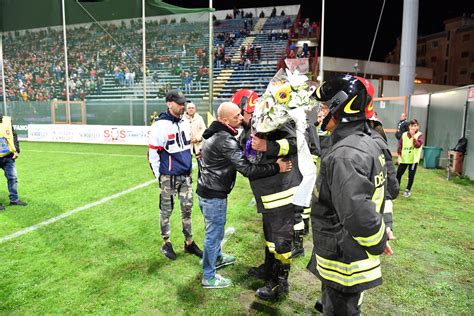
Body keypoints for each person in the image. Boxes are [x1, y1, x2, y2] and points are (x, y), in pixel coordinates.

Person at [307, 74, 392, 315]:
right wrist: (383, 228)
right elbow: (381, 193)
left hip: (344, 258)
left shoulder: (346, 153)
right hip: (347, 251)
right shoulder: (366, 141)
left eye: (324, 106)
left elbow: (357, 214)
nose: (320, 113)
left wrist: (377, 240)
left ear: (341, 106)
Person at [197, 102, 291, 288]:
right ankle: (208, 276)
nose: (241, 118)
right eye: (236, 116)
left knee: (216, 230)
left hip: (208, 190)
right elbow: (247, 169)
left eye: (241, 114)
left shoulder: (214, 133)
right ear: (224, 120)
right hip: (213, 194)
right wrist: (276, 167)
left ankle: (217, 258)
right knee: (213, 234)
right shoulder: (224, 139)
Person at [232, 89, 303, 301]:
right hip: (268, 194)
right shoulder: (252, 126)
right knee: (270, 239)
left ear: (248, 107)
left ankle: (279, 285)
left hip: (281, 193)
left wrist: (268, 146)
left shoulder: (274, 119)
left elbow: (295, 142)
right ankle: (269, 271)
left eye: (238, 112)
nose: (237, 118)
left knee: (280, 241)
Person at [148, 90, 203, 261]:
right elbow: (152, 154)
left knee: (187, 209)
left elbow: (186, 146)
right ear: (169, 103)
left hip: (185, 176)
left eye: (183, 103)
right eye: (179, 103)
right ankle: (166, 242)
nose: (182, 106)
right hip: (168, 177)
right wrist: (160, 177)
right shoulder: (159, 126)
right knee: (166, 211)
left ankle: (189, 242)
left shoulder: (185, 122)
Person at [0, 114, 27, 210]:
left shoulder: (7, 121)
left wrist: (16, 150)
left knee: (13, 178)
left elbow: (13, 135)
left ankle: (14, 200)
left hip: (8, 156)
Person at [396, 119, 424, 198]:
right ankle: (396, 188)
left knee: (411, 175)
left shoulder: (419, 135)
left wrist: (413, 136)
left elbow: (417, 145)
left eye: (415, 126)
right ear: (409, 127)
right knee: (398, 174)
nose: (413, 128)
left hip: (413, 160)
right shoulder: (404, 135)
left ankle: (407, 190)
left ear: (418, 126)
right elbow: (400, 146)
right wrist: (399, 156)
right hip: (404, 159)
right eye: (411, 126)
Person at [184, 102, 206, 172]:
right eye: (189, 108)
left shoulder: (199, 118)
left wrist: (197, 138)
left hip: (198, 144)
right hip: (187, 145)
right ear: (186, 109)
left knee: (201, 165)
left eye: (192, 108)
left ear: (195, 109)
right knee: (186, 165)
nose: (191, 110)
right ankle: (187, 180)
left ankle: (202, 180)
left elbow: (203, 129)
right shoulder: (182, 118)